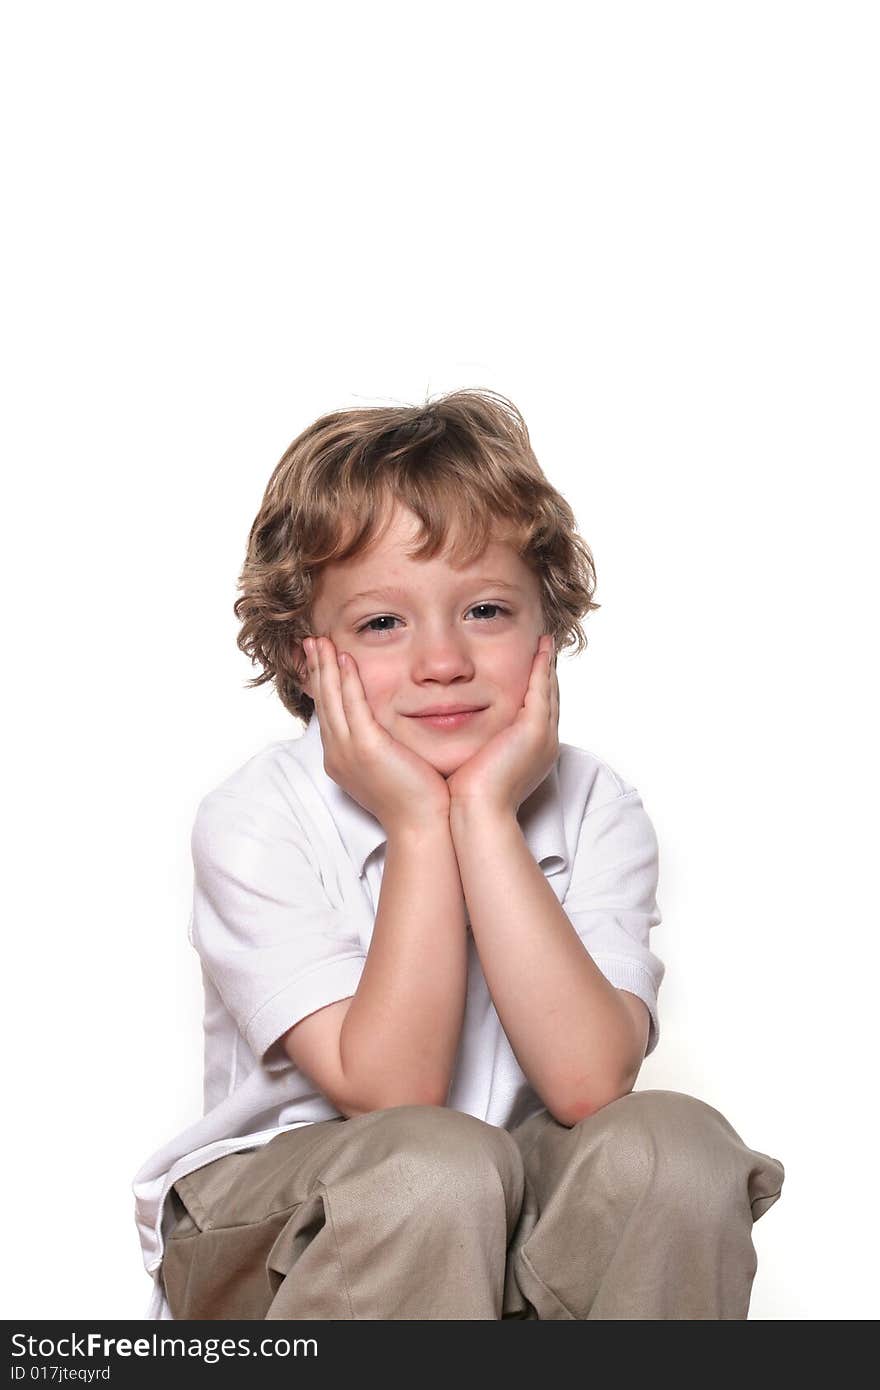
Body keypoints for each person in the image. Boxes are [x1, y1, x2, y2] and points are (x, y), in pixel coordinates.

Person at [132, 389, 785, 1320]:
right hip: (274, 1234)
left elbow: (590, 1080)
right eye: (382, 624)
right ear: (301, 654)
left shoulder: (597, 803)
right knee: (433, 1166)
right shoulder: (255, 817)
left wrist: (482, 811)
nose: (443, 660)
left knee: (672, 1147)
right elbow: (397, 1092)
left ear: (546, 632)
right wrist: (414, 823)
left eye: (484, 610)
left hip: (497, 1205)